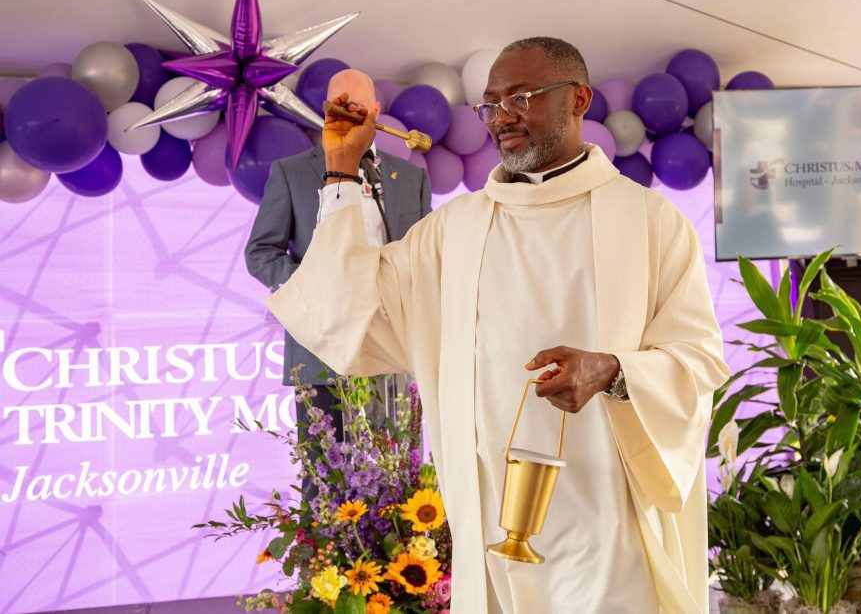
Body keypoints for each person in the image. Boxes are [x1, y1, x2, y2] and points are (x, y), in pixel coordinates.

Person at [268, 37, 729, 613]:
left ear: (579, 99)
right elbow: (347, 310)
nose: (501, 117)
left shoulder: (650, 221)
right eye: (490, 104)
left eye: (522, 98)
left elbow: (698, 359)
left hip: (607, 522)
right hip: (489, 524)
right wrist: (341, 167)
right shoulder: (453, 231)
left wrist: (612, 371)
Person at [245, 68, 432, 430]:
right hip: (320, 346)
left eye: (357, 106)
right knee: (326, 462)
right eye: (339, 106)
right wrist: (313, 288)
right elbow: (261, 252)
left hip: (394, 344)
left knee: (398, 461)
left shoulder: (412, 177)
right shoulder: (291, 172)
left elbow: (424, 255)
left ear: (376, 110)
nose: (348, 114)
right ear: (326, 109)